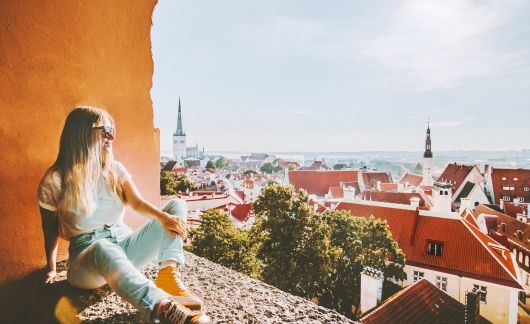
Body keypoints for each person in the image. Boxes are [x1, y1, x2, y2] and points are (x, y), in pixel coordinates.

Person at [37, 106, 209, 324]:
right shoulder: (55, 180)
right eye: (105, 130)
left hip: (124, 244)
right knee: (103, 247)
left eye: (112, 131)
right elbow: (49, 228)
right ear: (81, 132)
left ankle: (167, 274)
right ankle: (163, 308)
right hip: (87, 259)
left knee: (177, 206)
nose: (111, 137)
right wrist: (51, 268)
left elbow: (137, 203)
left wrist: (164, 218)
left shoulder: (114, 169)